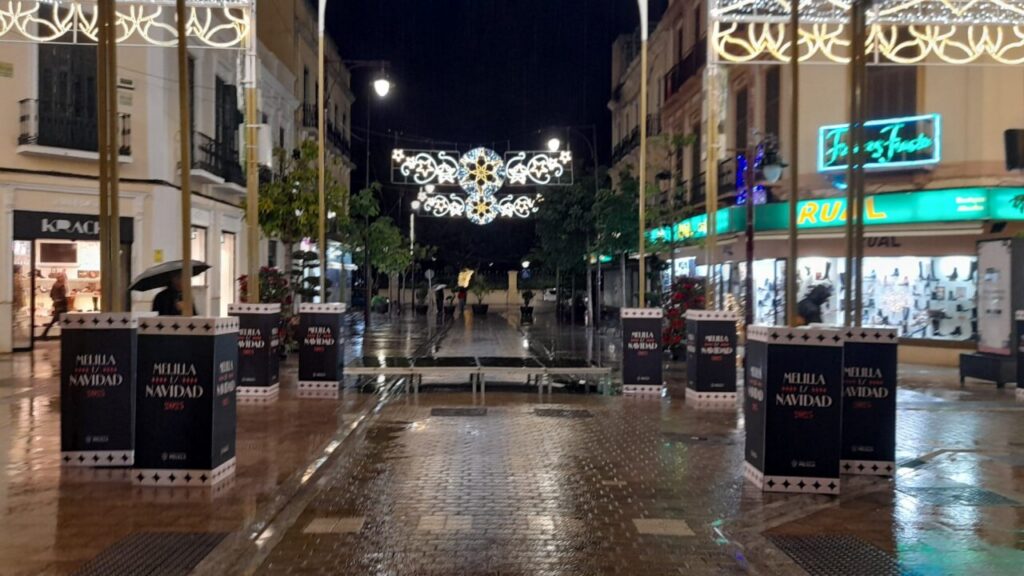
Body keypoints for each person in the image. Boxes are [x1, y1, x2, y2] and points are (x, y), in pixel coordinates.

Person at [40, 273, 68, 338]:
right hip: (62, 305)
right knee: (63, 320)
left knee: (59, 320)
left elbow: (51, 295)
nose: (64, 279)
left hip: (56, 304)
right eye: (64, 278)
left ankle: (44, 334)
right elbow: (63, 296)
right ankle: (44, 334)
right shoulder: (61, 286)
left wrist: (55, 300)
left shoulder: (55, 285)